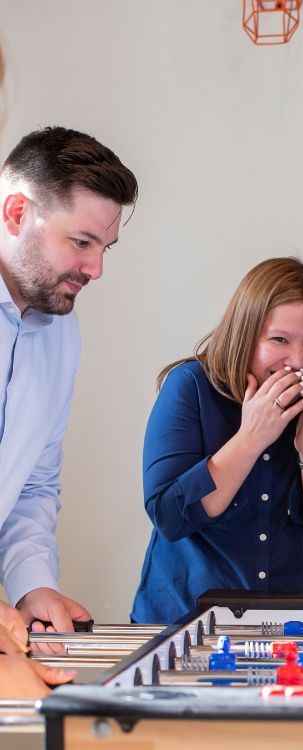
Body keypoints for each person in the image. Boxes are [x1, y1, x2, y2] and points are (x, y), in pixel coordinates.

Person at [131, 257, 303, 624]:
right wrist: (252, 437)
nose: (297, 361)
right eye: (279, 340)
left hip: (282, 627)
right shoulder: (190, 386)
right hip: (180, 623)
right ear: (246, 333)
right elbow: (169, 516)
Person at [0, 123, 137, 685]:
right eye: (81, 242)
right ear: (15, 213)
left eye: (104, 248)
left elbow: (32, 484)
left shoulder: (62, 332)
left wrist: (32, 584)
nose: (96, 269)